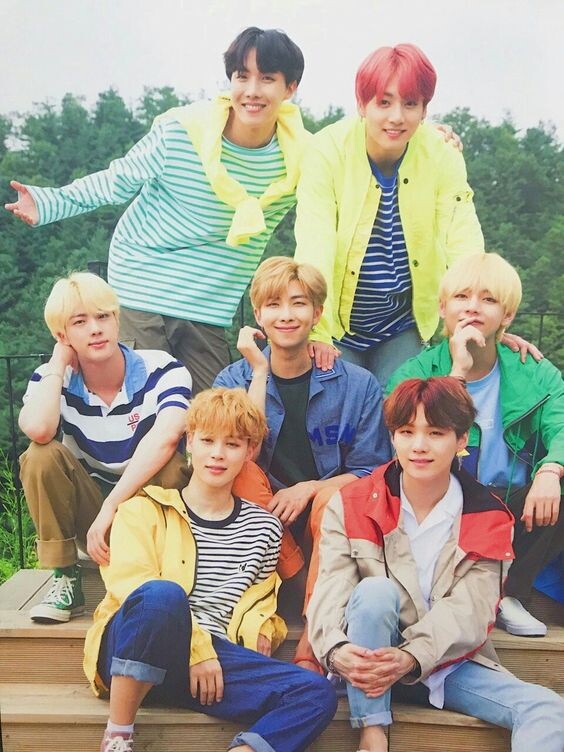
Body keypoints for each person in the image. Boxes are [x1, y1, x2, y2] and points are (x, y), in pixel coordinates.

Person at [5, 27, 307, 394]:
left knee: (214, 411)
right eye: (242, 77)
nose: (252, 90)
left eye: (267, 79)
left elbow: (322, 220)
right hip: (142, 284)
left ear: (289, 88)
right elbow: (116, 181)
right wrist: (48, 202)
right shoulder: (182, 133)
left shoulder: (300, 160)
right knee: (146, 404)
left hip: (208, 301)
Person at [307, 377, 564, 752]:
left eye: (436, 433)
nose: (419, 446)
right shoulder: (352, 502)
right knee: (375, 592)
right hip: (364, 663)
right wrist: (335, 650)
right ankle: (372, 732)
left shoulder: (488, 516)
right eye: (406, 432)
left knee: (546, 709)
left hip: (445, 663)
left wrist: (411, 657)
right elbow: (331, 589)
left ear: (461, 440)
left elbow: (470, 610)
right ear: (393, 436)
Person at [84, 387, 337, 752]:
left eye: (232, 444)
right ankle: (118, 736)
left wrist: (264, 628)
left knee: (316, 693)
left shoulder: (264, 528)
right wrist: (197, 649)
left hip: (212, 668)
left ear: (250, 451)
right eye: (207, 441)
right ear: (190, 442)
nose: (218, 454)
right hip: (136, 650)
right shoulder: (142, 510)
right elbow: (131, 589)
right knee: (162, 594)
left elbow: (261, 601)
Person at [294, 43, 537, 387]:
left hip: (401, 324)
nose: (397, 117)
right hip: (335, 323)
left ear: (424, 110)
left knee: (403, 405)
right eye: (384, 102)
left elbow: (462, 238)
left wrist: (486, 323)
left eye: (410, 104)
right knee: (339, 404)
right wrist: (315, 330)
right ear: (362, 104)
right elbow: (314, 240)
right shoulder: (326, 150)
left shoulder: (441, 153)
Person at [214, 257, 391, 662]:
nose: (286, 315)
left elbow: (372, 469)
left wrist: (311, 488)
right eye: (274, 305)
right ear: (258, 314)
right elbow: (235, 455)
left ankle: (313, 635)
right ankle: (295, 591)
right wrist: (259, 372)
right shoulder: (233, 380)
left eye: (298, 303)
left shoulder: (358, 385)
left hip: (331, 523)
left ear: (317, 312)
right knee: (239, 475)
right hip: (264, 519)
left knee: (331, 498)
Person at [387, 252, 564, 636]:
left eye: (488, 299)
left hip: (512, 504)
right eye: (461, 297)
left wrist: (550, 470)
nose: (472, 307)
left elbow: (560, 423)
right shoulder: (415, 372)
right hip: (442, 501)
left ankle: (509, 595)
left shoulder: (533, 371)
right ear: (442, 308)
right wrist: (458, 373)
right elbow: (410, 444)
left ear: (507, 315)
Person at [18, 272, 191, 623]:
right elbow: (39, 429)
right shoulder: (50, 378)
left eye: (103, 316)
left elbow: (168, 435)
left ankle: (169, 567)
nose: (96, 329)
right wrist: (57, 364)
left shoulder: (161, 368)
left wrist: (113, 506)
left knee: (173, 464)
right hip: (91, 517)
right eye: (79, 322)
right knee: (40, 455)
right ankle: (65, 577)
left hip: (149, 513)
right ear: (62, 336)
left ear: (116, 319)